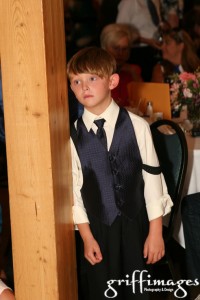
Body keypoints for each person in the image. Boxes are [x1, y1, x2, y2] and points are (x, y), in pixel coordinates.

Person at [67, 46, 173, 299]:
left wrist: (156, 232)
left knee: (139, 291)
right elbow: (74, 189)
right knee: (103, 291)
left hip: (136, 224)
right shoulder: (72, 135)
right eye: (76, 81)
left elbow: (152, 179)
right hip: (98, 229)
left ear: (112, 81)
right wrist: (86, 237)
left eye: (92, 78)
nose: (84, 87)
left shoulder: (138, 126)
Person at [100, 23, 143, 107]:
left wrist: (135, 74)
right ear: (105, 48)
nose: (120, 53)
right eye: (116, 48)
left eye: (125, 49)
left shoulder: (133, 70)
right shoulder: (95, 71)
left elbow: (143, 102)